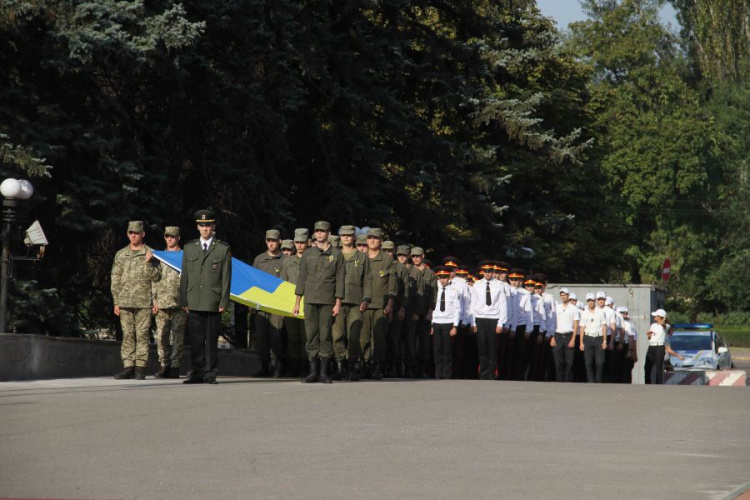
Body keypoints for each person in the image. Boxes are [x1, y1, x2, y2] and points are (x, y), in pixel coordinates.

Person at [179, 210, 232, 384]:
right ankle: (197, 371)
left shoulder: (222, 249)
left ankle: (210, 372)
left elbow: (226, 278)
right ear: (197, 227)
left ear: (213, 226)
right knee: (195, 340)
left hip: (212, 300)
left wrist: (224, 300)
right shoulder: (189, 247)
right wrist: (183, 299)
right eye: (202, 225)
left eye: (208, 225)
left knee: (210, 340)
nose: (205, 228)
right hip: (194, 299)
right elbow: (185, 276)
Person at [293, 220, 344, 384]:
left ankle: (323, 372)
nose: (320, 233)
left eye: (323, 231)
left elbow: (340, 279)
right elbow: (301, 278)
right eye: (317, 231)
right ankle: (313, 371)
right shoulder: (308, 253)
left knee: (325, 334)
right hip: (310, 300)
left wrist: (338, 303)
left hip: (327, 301)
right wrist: (297, 302)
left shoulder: (336, 254)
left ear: (329, 234)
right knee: (311, 334)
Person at [111, 221, 161, 380]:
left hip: (144, 302)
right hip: (125, 301)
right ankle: (128, 366)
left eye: (136, 233)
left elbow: (157, 278)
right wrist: (116, 301)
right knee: (127, 335)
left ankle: (140, 366)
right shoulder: (121, 254)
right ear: (127, 234)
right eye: (131, 232)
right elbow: (115, 278)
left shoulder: (151, 253)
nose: (133, 235)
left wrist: (148, 262)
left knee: (142, 335)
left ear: (143, 234)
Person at [331, 225, 372, 381]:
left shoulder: (362, 257)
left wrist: (367, 298)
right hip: (337, 302)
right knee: (337, 335)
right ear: (340, 237)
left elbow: (368, 279)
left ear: (354, 237)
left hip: (356, 301)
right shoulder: (334, 255)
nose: (346, 237)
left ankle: (351, 367)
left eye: (349, 235)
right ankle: (340, 367)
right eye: (343, 235)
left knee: (354, 336)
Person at [360, 228, 396, 380]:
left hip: (380, 304)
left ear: (381, 241)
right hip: (363, 304)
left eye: (375, 238)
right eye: (370, 238)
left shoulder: (386, 259)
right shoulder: (361, 258)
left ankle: (378, 366)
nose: (372, 240)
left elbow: (392, 284)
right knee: (363, 337)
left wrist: (390, 304)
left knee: (379, 338)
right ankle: (364, 365)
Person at [152, 226, 186, 378]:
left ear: (178, 237)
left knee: (178, 336)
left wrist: (188, 301)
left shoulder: (185, 257)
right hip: (162, 302)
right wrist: (154, 301)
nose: (170, 239)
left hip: (179, 302)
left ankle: (175, 366)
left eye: (172, 236)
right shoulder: (160, 257)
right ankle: (164, 365)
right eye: (167, 236)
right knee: (161, 336)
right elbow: (154, 279)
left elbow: (189, 280)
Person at [252, 229, 286, 377]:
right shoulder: (259, 259)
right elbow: (252, 282)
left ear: (280, 241)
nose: (271, 243)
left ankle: (276, 364)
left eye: (274, 240)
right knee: (261, 335)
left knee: (276, 335)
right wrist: (251, 305)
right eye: (269, 240)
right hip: (261, 304)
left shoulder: (285, 260)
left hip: (277, 305)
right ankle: (264, 365)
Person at [469, 261, 508, 380]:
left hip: (493, 318)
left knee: (493, 347)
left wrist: (500, 323)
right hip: (480, 318)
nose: (487, 273)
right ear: (482, 272)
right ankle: (483, 372)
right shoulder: (477, 284)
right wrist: (473, 322)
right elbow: (473, 304)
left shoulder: (499, 285)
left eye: (489, 271)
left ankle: (492, 373)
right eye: (485, 271)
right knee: (482, 346)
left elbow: (503, 304)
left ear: (493, 272)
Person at [280, 228, 310, 377]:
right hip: (290, 302)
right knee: (293, 336)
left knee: (306, 336)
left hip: (307, 301)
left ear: (307, 243)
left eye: (302, 242)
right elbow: (283, 283)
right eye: (297, 242)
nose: (299, 245)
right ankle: (294, 364)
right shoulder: (288, 261)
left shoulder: (312, 259)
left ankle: (306, 365)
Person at [405, 246, 434, 378]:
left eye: (418, 256)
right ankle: (410, 367)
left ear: (423, 256)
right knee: (410, 341)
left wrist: (430, 311)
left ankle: (421, 368)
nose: (415, 258)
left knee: (424, 342)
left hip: (425, 312)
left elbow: (434, 294)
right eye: (413, 256)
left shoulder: (430, 274)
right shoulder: (408, 271)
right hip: (411, 312)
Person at [431, 266, 461, 379]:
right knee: (437, 348)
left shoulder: (454, 290)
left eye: (445, 277)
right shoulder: (435, 290)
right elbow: (432, 307)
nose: (443, 280)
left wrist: (455, 326)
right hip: (437, 321)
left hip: (448, 322)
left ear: (449, 278)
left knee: (447, 348)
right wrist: (431, 324)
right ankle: (439, 372)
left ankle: (447, 372)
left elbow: (457, 309)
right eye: (441, 277)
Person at [645, 309, 684, 384]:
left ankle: (658, 384)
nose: (655, 317)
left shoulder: (666, 326)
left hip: (659, 346)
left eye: (656, 316)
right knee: (647, 367)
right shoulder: (653, 325)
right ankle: (647, 383)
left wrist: (664, 319)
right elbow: (650, 338)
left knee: (658, 367)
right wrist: (649, 335)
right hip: (651, 346)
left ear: (660, 317)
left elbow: (663, 325)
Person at [551, 288, 579, 382]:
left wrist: (573, 339)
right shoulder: (557, 307)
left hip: (569, 335)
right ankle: (559, 380)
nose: (563, 297)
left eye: (565, 295)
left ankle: (568, 380)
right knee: (558, 361)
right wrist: (553, 337)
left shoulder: (574, 308)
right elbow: (553, 323)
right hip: (558, 335)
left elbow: (576, 325)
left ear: (568, 295)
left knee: (569, 361)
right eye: (561, 295)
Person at [579, 292, 607, 383]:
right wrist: (581, 342)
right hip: (588, 338)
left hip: (598, 338)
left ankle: (598, 380)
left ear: (595, 301)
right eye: (588, 301)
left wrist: (604, 341)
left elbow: (604, 326)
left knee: (600, 362)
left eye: (592, 300)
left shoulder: (600, 312)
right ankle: (591, 381)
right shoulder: (584, 313)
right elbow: (582, 327)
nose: (590, 302)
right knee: (588, 362)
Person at [618, 307, 637, 383]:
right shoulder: (618, 322)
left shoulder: (628, 324)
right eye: (622, 313)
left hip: (626, 345)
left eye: (625, 313)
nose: (624, 314)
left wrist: (630, 351)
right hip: (619, 344)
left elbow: (631, 338)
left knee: (626, 369)